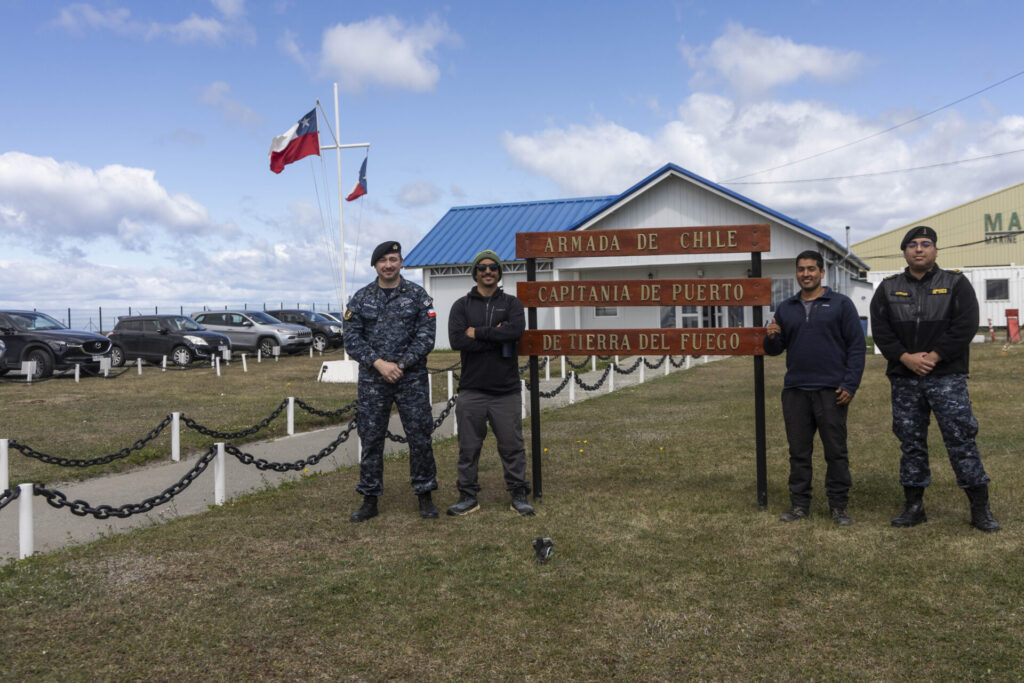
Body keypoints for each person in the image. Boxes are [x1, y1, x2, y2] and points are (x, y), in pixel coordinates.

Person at [870, 226, 999, 531]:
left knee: (961, 440)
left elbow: (966, 326)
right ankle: (914, 507)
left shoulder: (955, 283)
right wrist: (905, 358)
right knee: (911, 443)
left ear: (935, 251)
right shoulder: (887, 288)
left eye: (925, 244)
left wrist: (934, 356)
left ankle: (980, 509)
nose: (919, 249)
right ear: (904, 252)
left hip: (946, 377)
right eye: (912, 245)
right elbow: (882, 330)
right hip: (905, 378)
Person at [764, 250, 865, 525]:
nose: (805, 274)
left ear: (822, 272)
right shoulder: (786, 308)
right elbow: (775, 349)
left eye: (811, 269)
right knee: (798, 452)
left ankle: (839, 506)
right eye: (800, 269)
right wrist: (771, 338)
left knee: (835, 451)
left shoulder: (841, 305)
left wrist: (850, 384)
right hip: (796, 390)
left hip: (831, 391)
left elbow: (856, 348)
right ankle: (799, 505)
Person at [343, 241, 440, 522]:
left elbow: (426, 337)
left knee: (420, 437)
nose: (388, 264)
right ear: (375, 265)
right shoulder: (361, 299)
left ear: (401, 263)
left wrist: (400, 365)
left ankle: (425, 495)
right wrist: (379, 364)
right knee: (371, 439)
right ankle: (370, 498)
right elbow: (351, 338)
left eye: (394, 259)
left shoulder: (418, 296)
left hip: (411, 379)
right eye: (383, 260)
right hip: (374, 381)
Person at [446, 250, 534, 516]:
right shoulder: (461, 306)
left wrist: (480, 333)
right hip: (472, 390)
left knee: (512, 446)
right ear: (475, 272)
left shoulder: (512, 304)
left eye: (493, 267)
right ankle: (468, 496)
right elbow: (457, 341)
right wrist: (497, 335)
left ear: (499, 272)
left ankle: (518, 495)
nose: (488, 271)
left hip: (505, 391)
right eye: (482, 267)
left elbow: (516, 332)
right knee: (468, 448)